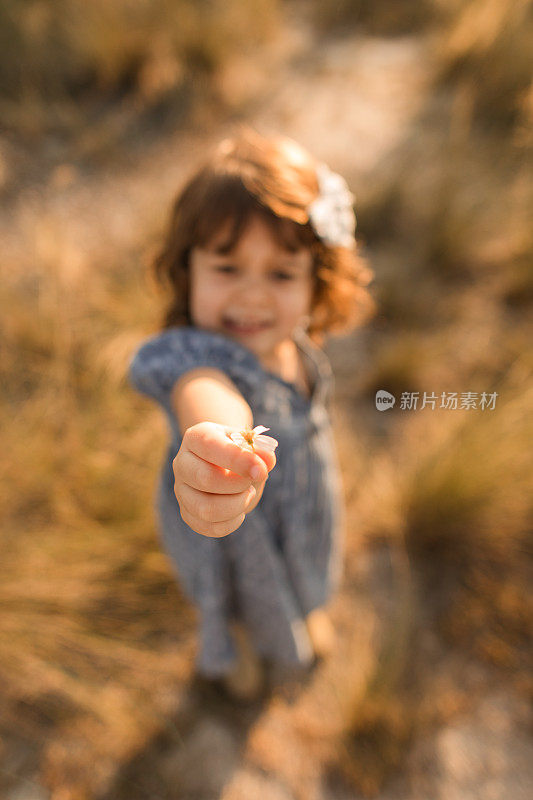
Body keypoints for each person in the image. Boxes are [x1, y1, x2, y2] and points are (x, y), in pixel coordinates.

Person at [128, 127, 374, 700]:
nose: (254, 297)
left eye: (282, 274)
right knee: (239, 598)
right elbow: (207, 394)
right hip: (231, 532)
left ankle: (304, 613)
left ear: (316, 285)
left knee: (305, 573)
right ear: (187, 270)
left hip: (301, 512)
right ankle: (236, 646)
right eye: (227, 267)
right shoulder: (199, 357)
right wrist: (218, 438)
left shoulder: (294, 347)